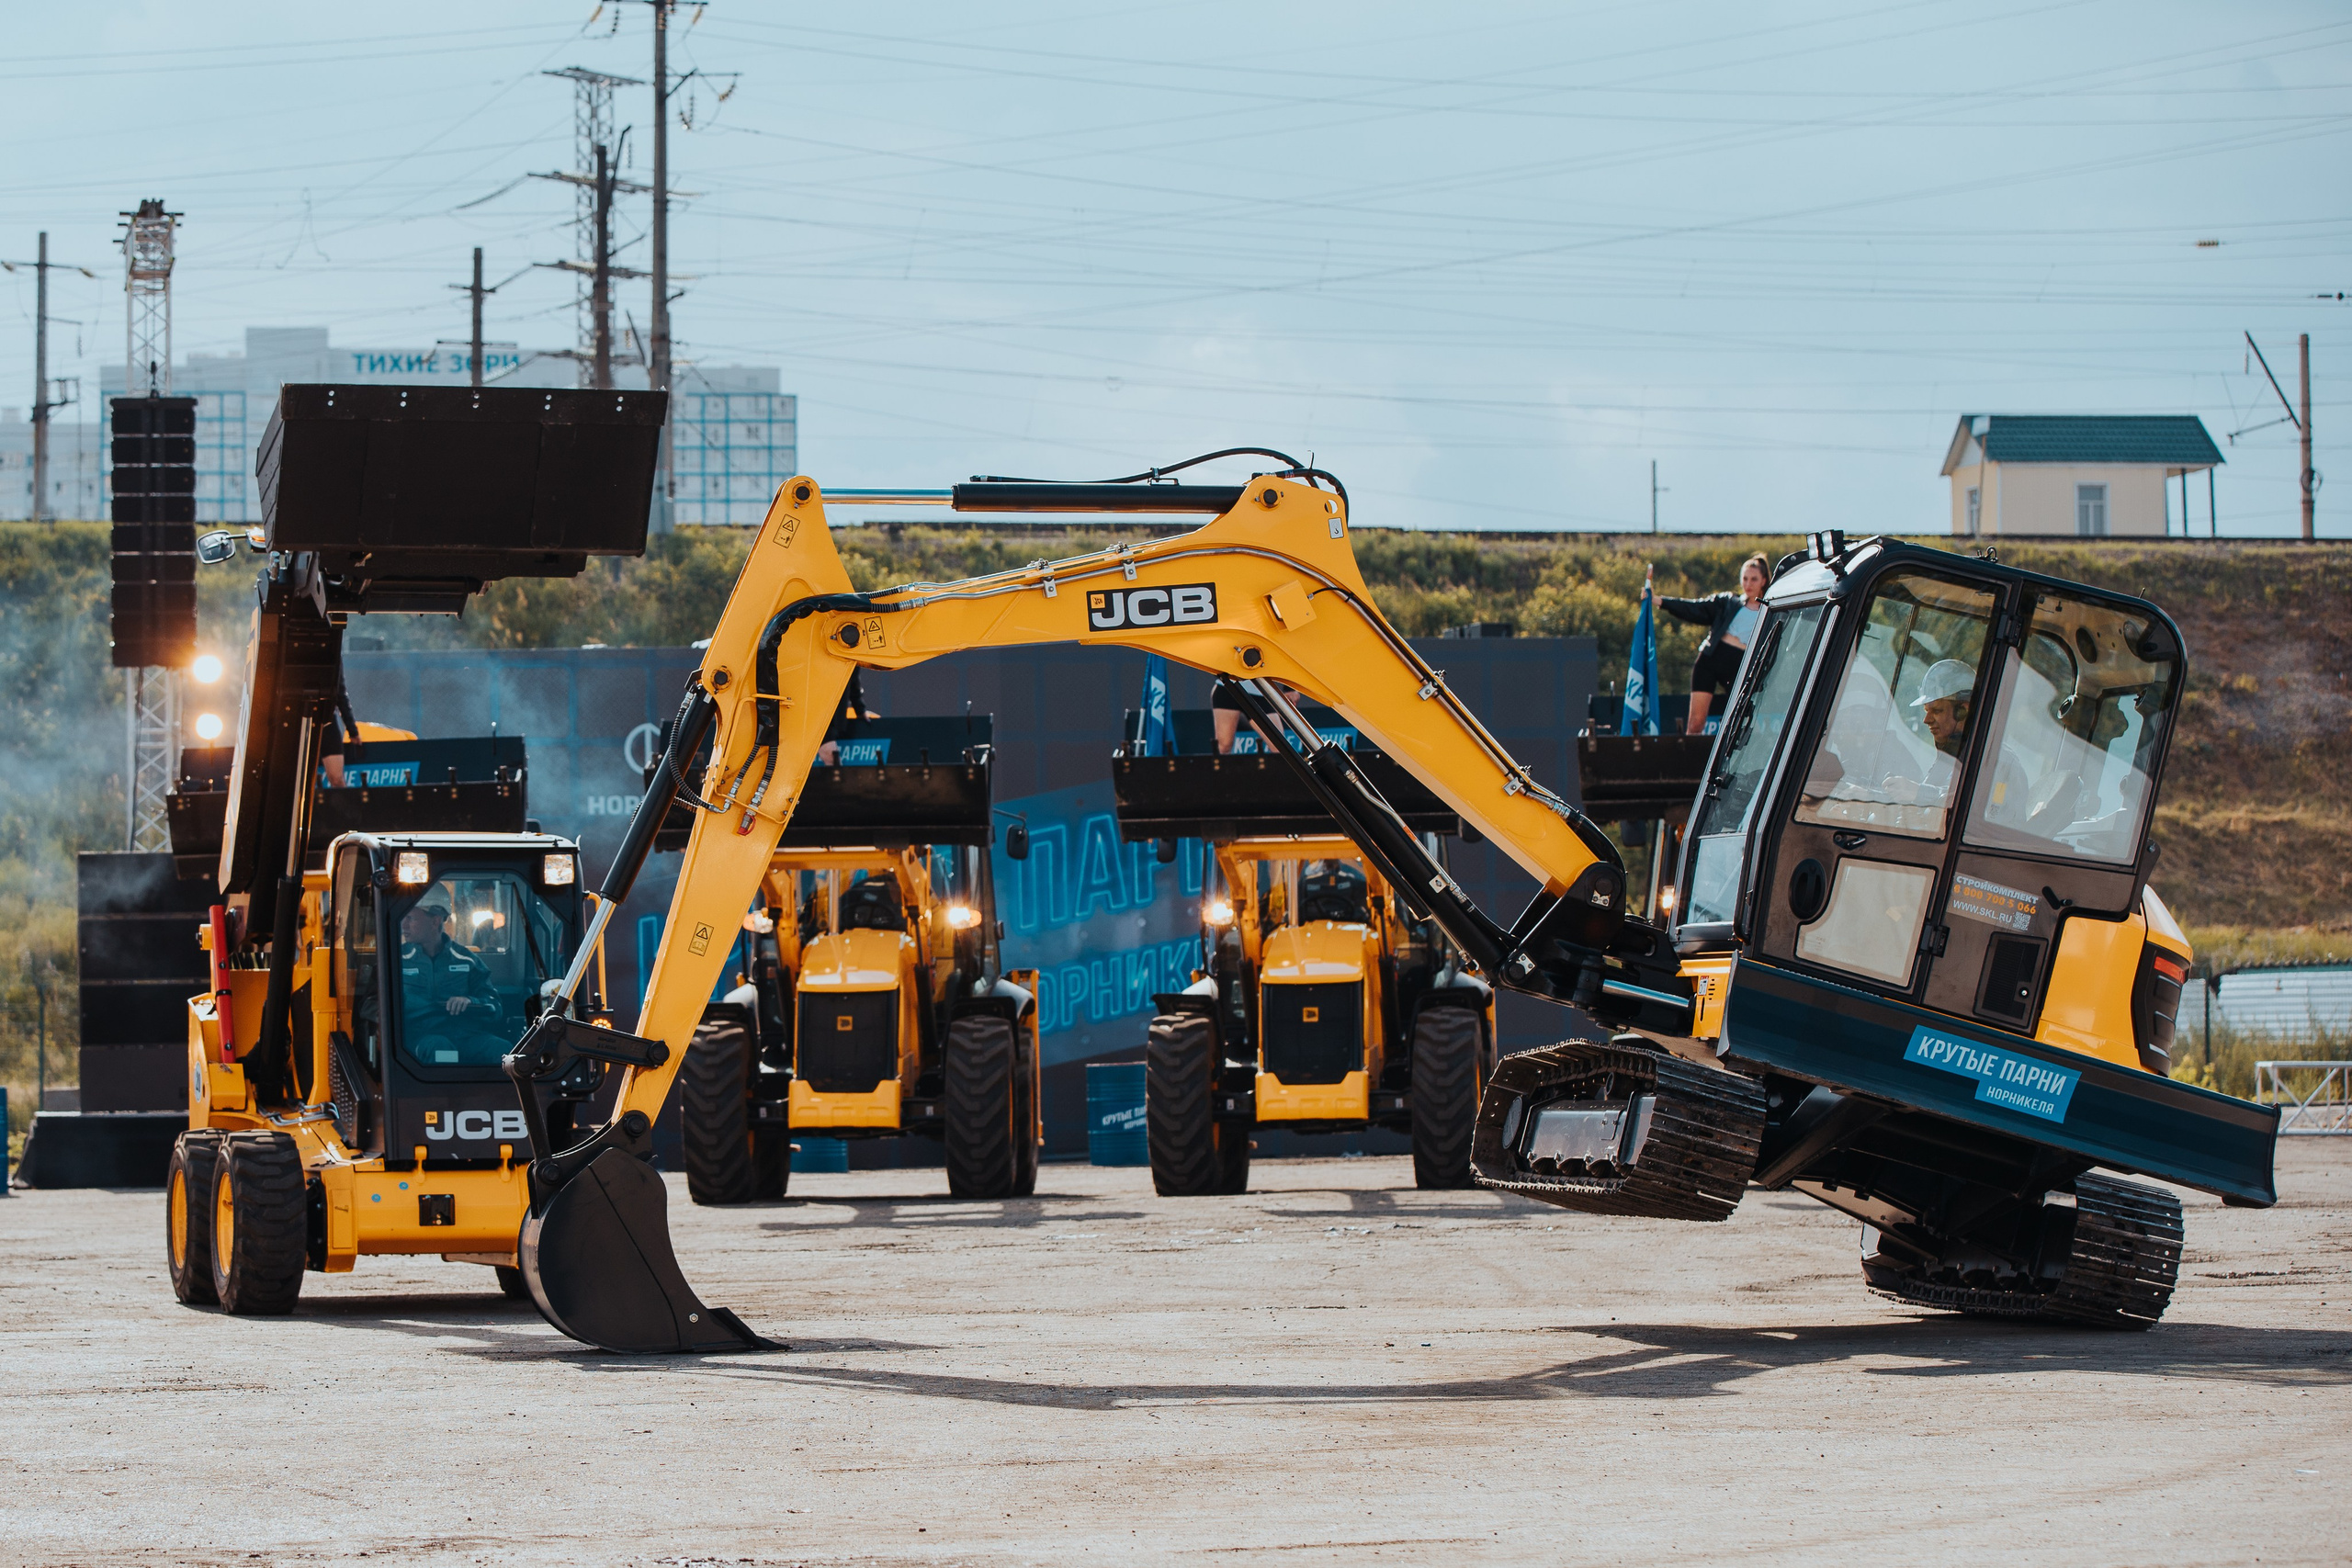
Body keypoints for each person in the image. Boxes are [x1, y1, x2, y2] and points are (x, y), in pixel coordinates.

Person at [1660, 553, 1770, 735]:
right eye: (1745, 579)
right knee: (1696, 723)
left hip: (1738, 667)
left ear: (1763, 581)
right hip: (1711, 660)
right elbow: (1695, 608)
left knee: (1740, 722)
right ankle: (1689, 760)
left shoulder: (1769, 611)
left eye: (1754, 579)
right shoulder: (1729, 602)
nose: (1748, 584)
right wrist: (1661, 601)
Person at [398, 899, 504, 1063]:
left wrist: (469, 1001)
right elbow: (372, 1006)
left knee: (503, 1052)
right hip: (419, 1038)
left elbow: (494, 1006)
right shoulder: (395, 960)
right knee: (442, 1052)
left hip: (463, 1035)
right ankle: (453, 1089)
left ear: (435, 921)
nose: (404, 925)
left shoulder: (467, 961)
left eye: (411, 918)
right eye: (403, 918)